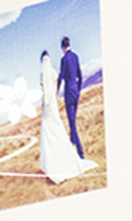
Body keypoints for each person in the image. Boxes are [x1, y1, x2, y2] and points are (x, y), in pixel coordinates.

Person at [39, 50, 92, 184]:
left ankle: (52, 162)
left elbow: (44, 91)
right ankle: (71, 154)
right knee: (58, 128)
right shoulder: (53, 72)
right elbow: (56, 87)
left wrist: (44, 104)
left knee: (48, 132)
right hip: (54, 104)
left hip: (47, 106)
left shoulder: (43, 74)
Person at [57, 35, 86, 159]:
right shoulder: (75, 56)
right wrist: (78, 89)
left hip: (69, 91)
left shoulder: (64, 59)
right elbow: (80, 75)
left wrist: (56, 91)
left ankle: (80, 151)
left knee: (72, 123)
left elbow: (61, 76)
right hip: (76, 91)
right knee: (73, 121)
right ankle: (71, 146)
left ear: (63, 48)